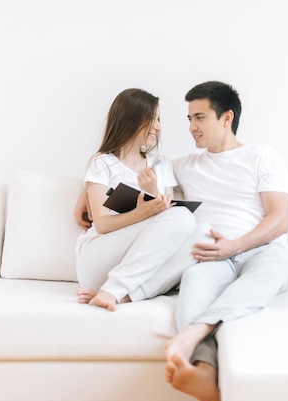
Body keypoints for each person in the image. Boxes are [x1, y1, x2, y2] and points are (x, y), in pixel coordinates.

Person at [163, 81, 288, 401]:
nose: (192, 127)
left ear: (226, 118)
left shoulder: (263, 156)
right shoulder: (184, 165)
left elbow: (280, 219)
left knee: (272, 269)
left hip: (263, 252)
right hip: (212, 257)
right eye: (189, 119)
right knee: (194, 282)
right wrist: (86, 192)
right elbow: (132, 170)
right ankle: (205, 373)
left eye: (200, 117)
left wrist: (235, 246)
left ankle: (192, 335)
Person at [75, 88, 210, 312]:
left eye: (158, 119)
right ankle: (116, 288)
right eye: (151, 118)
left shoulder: (161, 164)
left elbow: (166, 222)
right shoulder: (102, 163)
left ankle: (123, 294)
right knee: (180, 217)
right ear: (131, 119)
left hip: (135, 269)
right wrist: (142, 212)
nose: (158, 126)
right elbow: (102, 224)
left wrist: (153, 191)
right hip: (97, 258)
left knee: (204, 232)